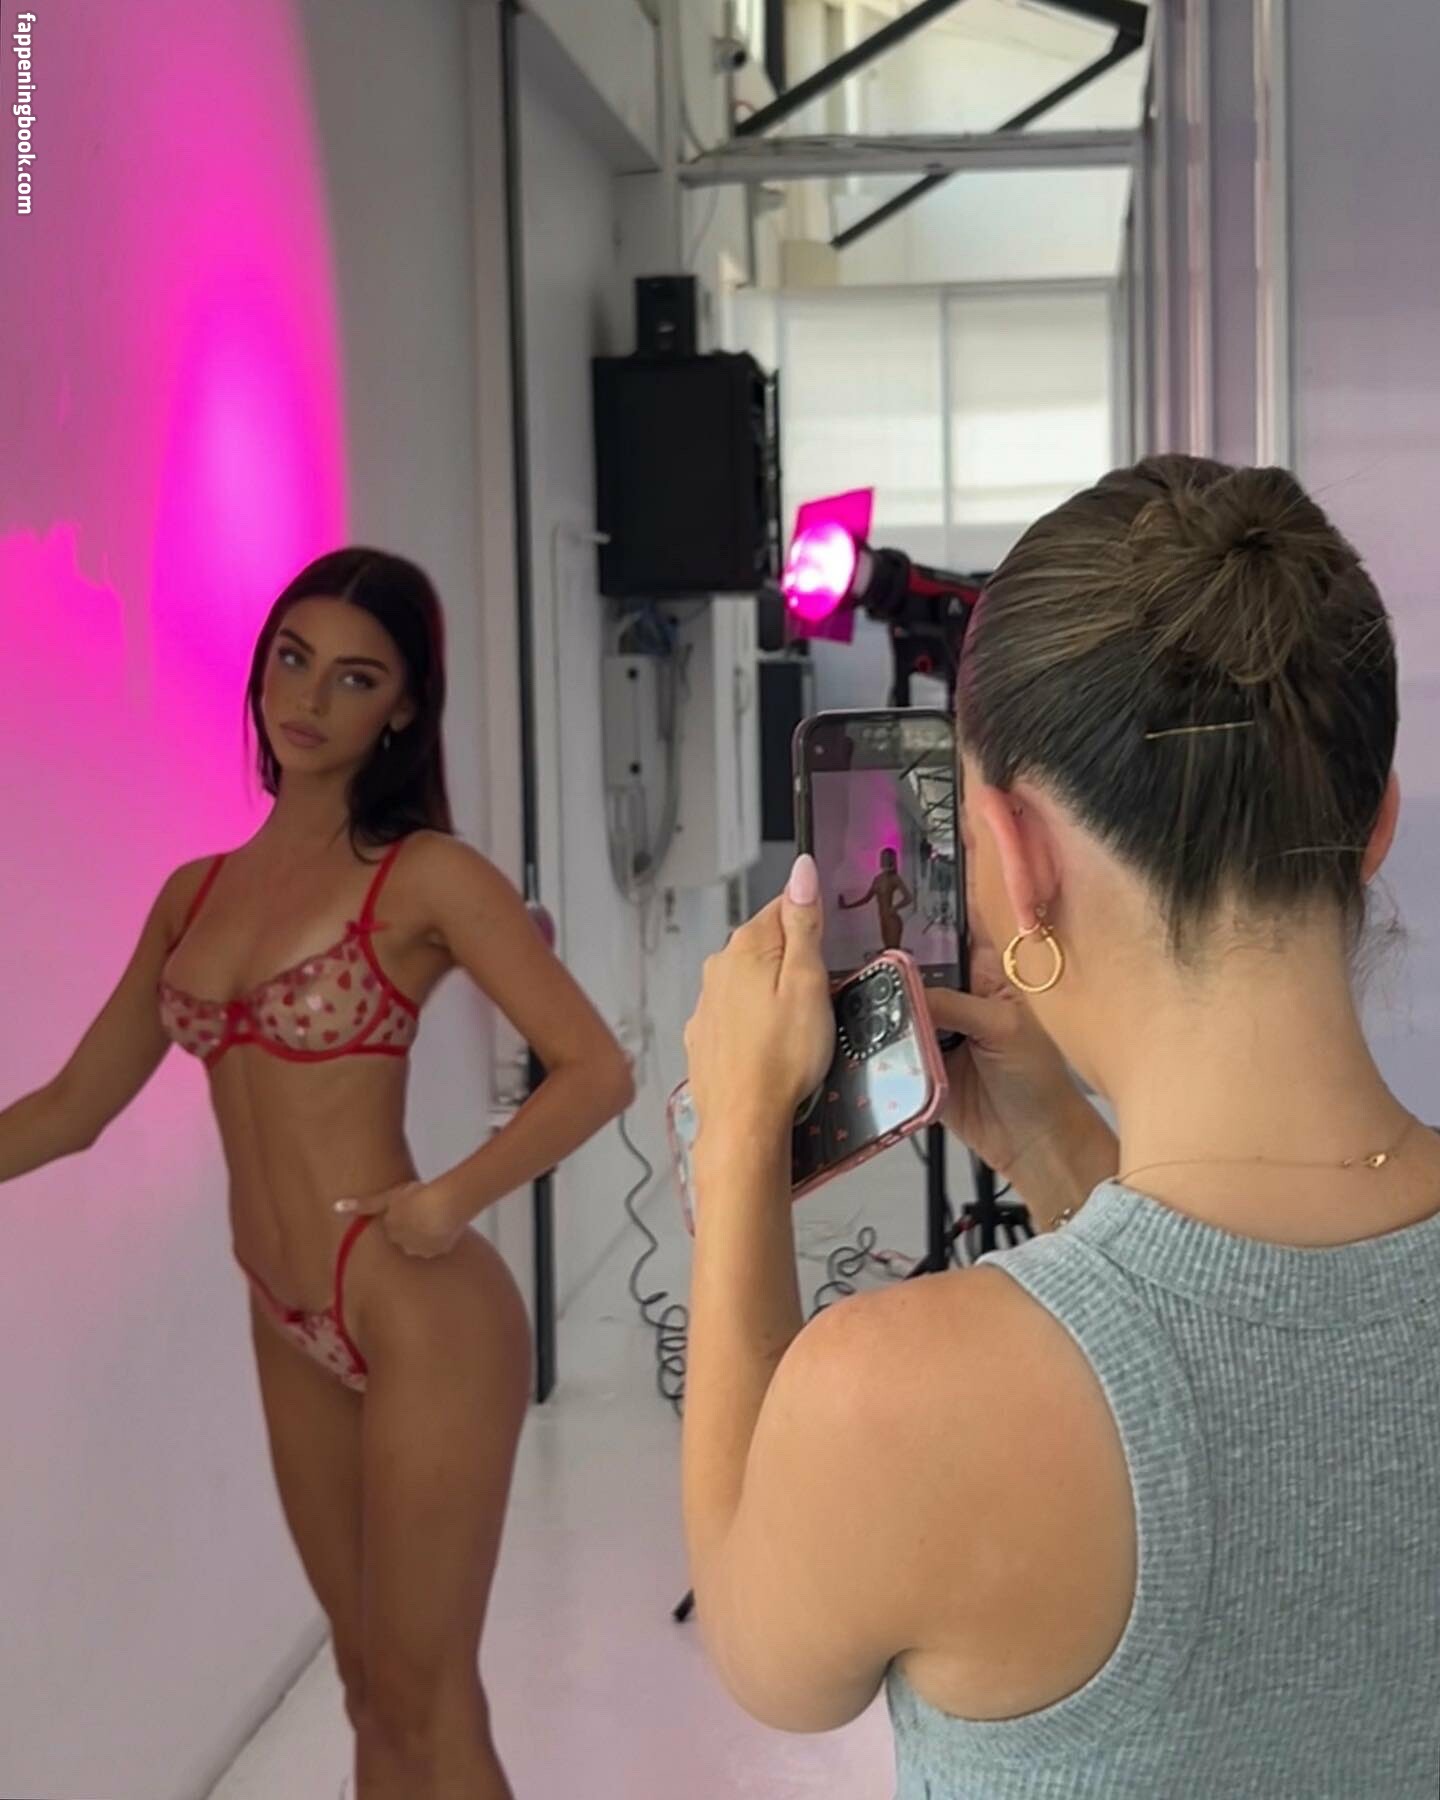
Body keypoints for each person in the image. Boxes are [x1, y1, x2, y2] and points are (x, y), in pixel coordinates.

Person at [679, 456, 1440, 1797]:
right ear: (1375, 821)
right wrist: (1054, 1153)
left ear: (1016, 855)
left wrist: (741, 1136)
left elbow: (760, 1650)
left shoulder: (896, 1400)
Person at [0, 548, 634, 1800]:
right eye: (293, 659)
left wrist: (452, 1196)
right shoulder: (194, 897)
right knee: (364, 1684)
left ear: (402, 710)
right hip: (283, 1309)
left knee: (430, 1696)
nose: (308, 697)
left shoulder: (424, 876)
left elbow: (595, 1070)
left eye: (355, 678)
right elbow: (73, 1109)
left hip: (416, 1303)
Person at [838, 845, 915, 952]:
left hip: (891, 919)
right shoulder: (878, 879)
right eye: (882, 857)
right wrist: (847, 906)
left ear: (891, 860)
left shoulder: (894, 878)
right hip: (883, 918)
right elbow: (866, 899)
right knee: (888, 950)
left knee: (892, 950)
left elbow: (908, 898)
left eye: (886, 858)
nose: (883, 860)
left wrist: (894, 908)